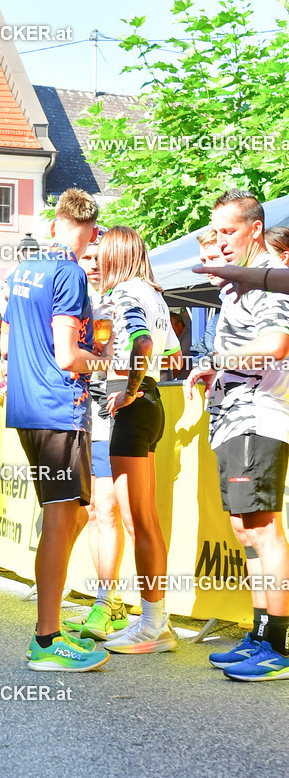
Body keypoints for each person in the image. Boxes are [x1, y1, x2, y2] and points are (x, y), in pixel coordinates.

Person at [1, 187, 111, 672]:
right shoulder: (69, 272)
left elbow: (8, 341)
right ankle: (47, 638)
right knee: (62, 519)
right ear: (90, 231)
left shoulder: (24, 269)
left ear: (54, 223)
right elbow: (68, 356)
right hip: (57, 409)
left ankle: (49, 630)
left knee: (69, 517)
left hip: (28, 407)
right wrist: (107, 361)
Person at [186, 189, 289, 681]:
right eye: (216, 232)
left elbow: (274, 345)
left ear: (254, 228)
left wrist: (213, 361)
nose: (220, 242)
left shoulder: (267, 279)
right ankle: (259, 632)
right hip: (234, 416)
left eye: (228, 232)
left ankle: (277, 644)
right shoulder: (237, 285)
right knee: (245, 530)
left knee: (264, 530)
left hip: (257, 417)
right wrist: (216, 373)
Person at [98, 225, 182, 655]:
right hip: (151, 404)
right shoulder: (154, 295)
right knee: (142, 520)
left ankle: (153, 625)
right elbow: (169, 351)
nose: (95, 262)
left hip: (136, 406)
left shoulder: (127, 293)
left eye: (101, 254)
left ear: (116, 256)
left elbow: (144, 343)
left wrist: (129, 388)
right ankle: (154, 620)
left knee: (138, 521)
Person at [62, 234, 130, 641]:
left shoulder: (117, 300)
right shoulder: (76, 299)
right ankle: (111, 604)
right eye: (85, 255)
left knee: (106, 510)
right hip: (79, 416)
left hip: (110, 415)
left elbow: (165, 352)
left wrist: (120, 370)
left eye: (97, 255)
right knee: (90, 511)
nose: (91, 261)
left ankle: (107, 604)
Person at [190, 229, 224, 366]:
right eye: (204, 260)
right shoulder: (216, 318)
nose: (207, 267)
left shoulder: (253, 296)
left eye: (214, 258)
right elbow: (197, 354)